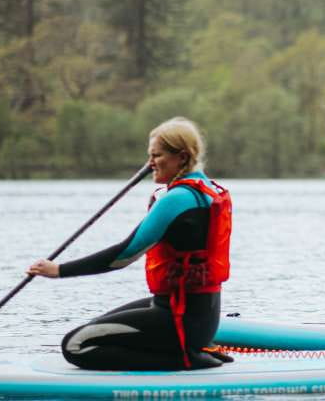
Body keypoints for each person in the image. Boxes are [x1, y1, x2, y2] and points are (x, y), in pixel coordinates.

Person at [28, 117, 232, 370]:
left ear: (181, 157)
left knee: (75, 345)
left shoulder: (177, 198)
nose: (150, 163)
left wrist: (59, 271)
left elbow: (124, 255)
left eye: (157, 155)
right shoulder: (207, 189)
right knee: (95, 326)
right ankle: (193, 348)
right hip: (199, 316)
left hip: (180, 320)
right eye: (150, 155)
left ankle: (184, 359)